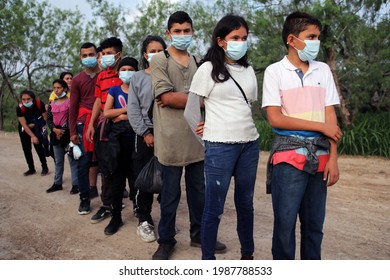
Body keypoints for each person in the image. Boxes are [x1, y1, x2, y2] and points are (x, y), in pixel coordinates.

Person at [262, 11, 343, 260]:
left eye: (317, 36)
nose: (316, 42)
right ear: (292, 39)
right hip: (288, 158)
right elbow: (275, 117)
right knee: (284, 229)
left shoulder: (323, 71)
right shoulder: (275, 72)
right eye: (311, 36)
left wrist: (333, 158)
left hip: (320, 159)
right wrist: (319, 127)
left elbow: (331, 118)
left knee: (314, 228)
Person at [150, 11, 226, 260]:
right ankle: (166, 241)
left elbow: (186, 97)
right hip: (169, 140)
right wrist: (201, 100)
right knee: (170, 195)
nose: (182, 35)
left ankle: (199, 235)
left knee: (199, 193)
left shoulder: (198, 62)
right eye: (177, 31)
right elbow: (165, 97)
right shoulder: (159, 61)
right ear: (168, 33)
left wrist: (191, 100)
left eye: (187, 30)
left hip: (197, 138)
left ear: (192, 32)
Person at [186, 14, 259, 260]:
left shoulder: (249, 71)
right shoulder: (207, 69)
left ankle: (247, 256)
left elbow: (246, 106)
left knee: (246, 204)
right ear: (220, 40)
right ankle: (208, 261)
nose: (240, 42)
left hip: (250, 144)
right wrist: (205, 134)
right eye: (235, 37)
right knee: (214, 207)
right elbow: (191, 109)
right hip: (219, 146)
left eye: (244, 38)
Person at [128, 35, 166, 243]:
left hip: (168, 133)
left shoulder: (170, 75)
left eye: (161, 50)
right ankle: (144, 219)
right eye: (152, 51)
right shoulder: (138, 78)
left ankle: (167, 221)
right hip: (145, 133)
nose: (156, 54)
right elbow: (133, 109)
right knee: (143, 176)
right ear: (145, 54)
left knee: (167, 177)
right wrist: (145, 133)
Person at [87, 37, 124, 224]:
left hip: (125, 125)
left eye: (110, 54)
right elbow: (97, 101)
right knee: (106, 166)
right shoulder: (101, 76)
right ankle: (107, 205)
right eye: (104, 54)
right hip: (105, 126)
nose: (106, 57)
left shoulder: (127, 73)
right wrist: (91, 124)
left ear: (119, 54)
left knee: (127, 167)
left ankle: (137, 208)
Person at [103, 57, 139, 235]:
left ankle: (140, 213)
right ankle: (115, 216)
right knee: (117, 181)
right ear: (118, 72)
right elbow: (107, 112)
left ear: (136, 71)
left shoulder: (139, 89)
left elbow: (143, 114)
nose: (127, 72)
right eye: (123, 68)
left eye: (130, 69)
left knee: (136, 180)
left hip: (136, 141)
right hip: (116, 143)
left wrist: (124, 117)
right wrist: (127, 111)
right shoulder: (114, 89)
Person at [69, 42, 101, 214]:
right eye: (84, 55)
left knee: (108, 162)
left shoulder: (104, 75)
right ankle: (84, 199)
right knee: (83, 163)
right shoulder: (77, 80)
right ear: (81, 58)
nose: (88, 58)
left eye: (91, 54)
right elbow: (72, 107)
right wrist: (73, 132)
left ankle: (111, 198)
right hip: (84, 123)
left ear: (97, 55)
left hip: (104, 121)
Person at [46, 79, 78, 194]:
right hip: (55, 134)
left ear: (64, 89)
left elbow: (71, 117)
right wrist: (54, 129)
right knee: (58, 161)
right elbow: (49, 119)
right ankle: (57, 183)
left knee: (72, 160)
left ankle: (75, 184)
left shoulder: (70, 102)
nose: (56, 90)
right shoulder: (51, 103)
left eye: (59, 88)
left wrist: (62, 131)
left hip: (67, 134)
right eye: (54, 88)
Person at [16, 90, 49, 176]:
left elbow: (45, 117)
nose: (26, 101)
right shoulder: (19, 108)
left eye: (28, 99)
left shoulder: (39, 103)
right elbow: (24, 125)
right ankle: (31, 168)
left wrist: (36, 125)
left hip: (37, 126)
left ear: (33, 98)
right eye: (23, 99)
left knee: (38, 146)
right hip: (25, 128)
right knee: (26, 148)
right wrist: (32, 136)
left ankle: (44, 167)